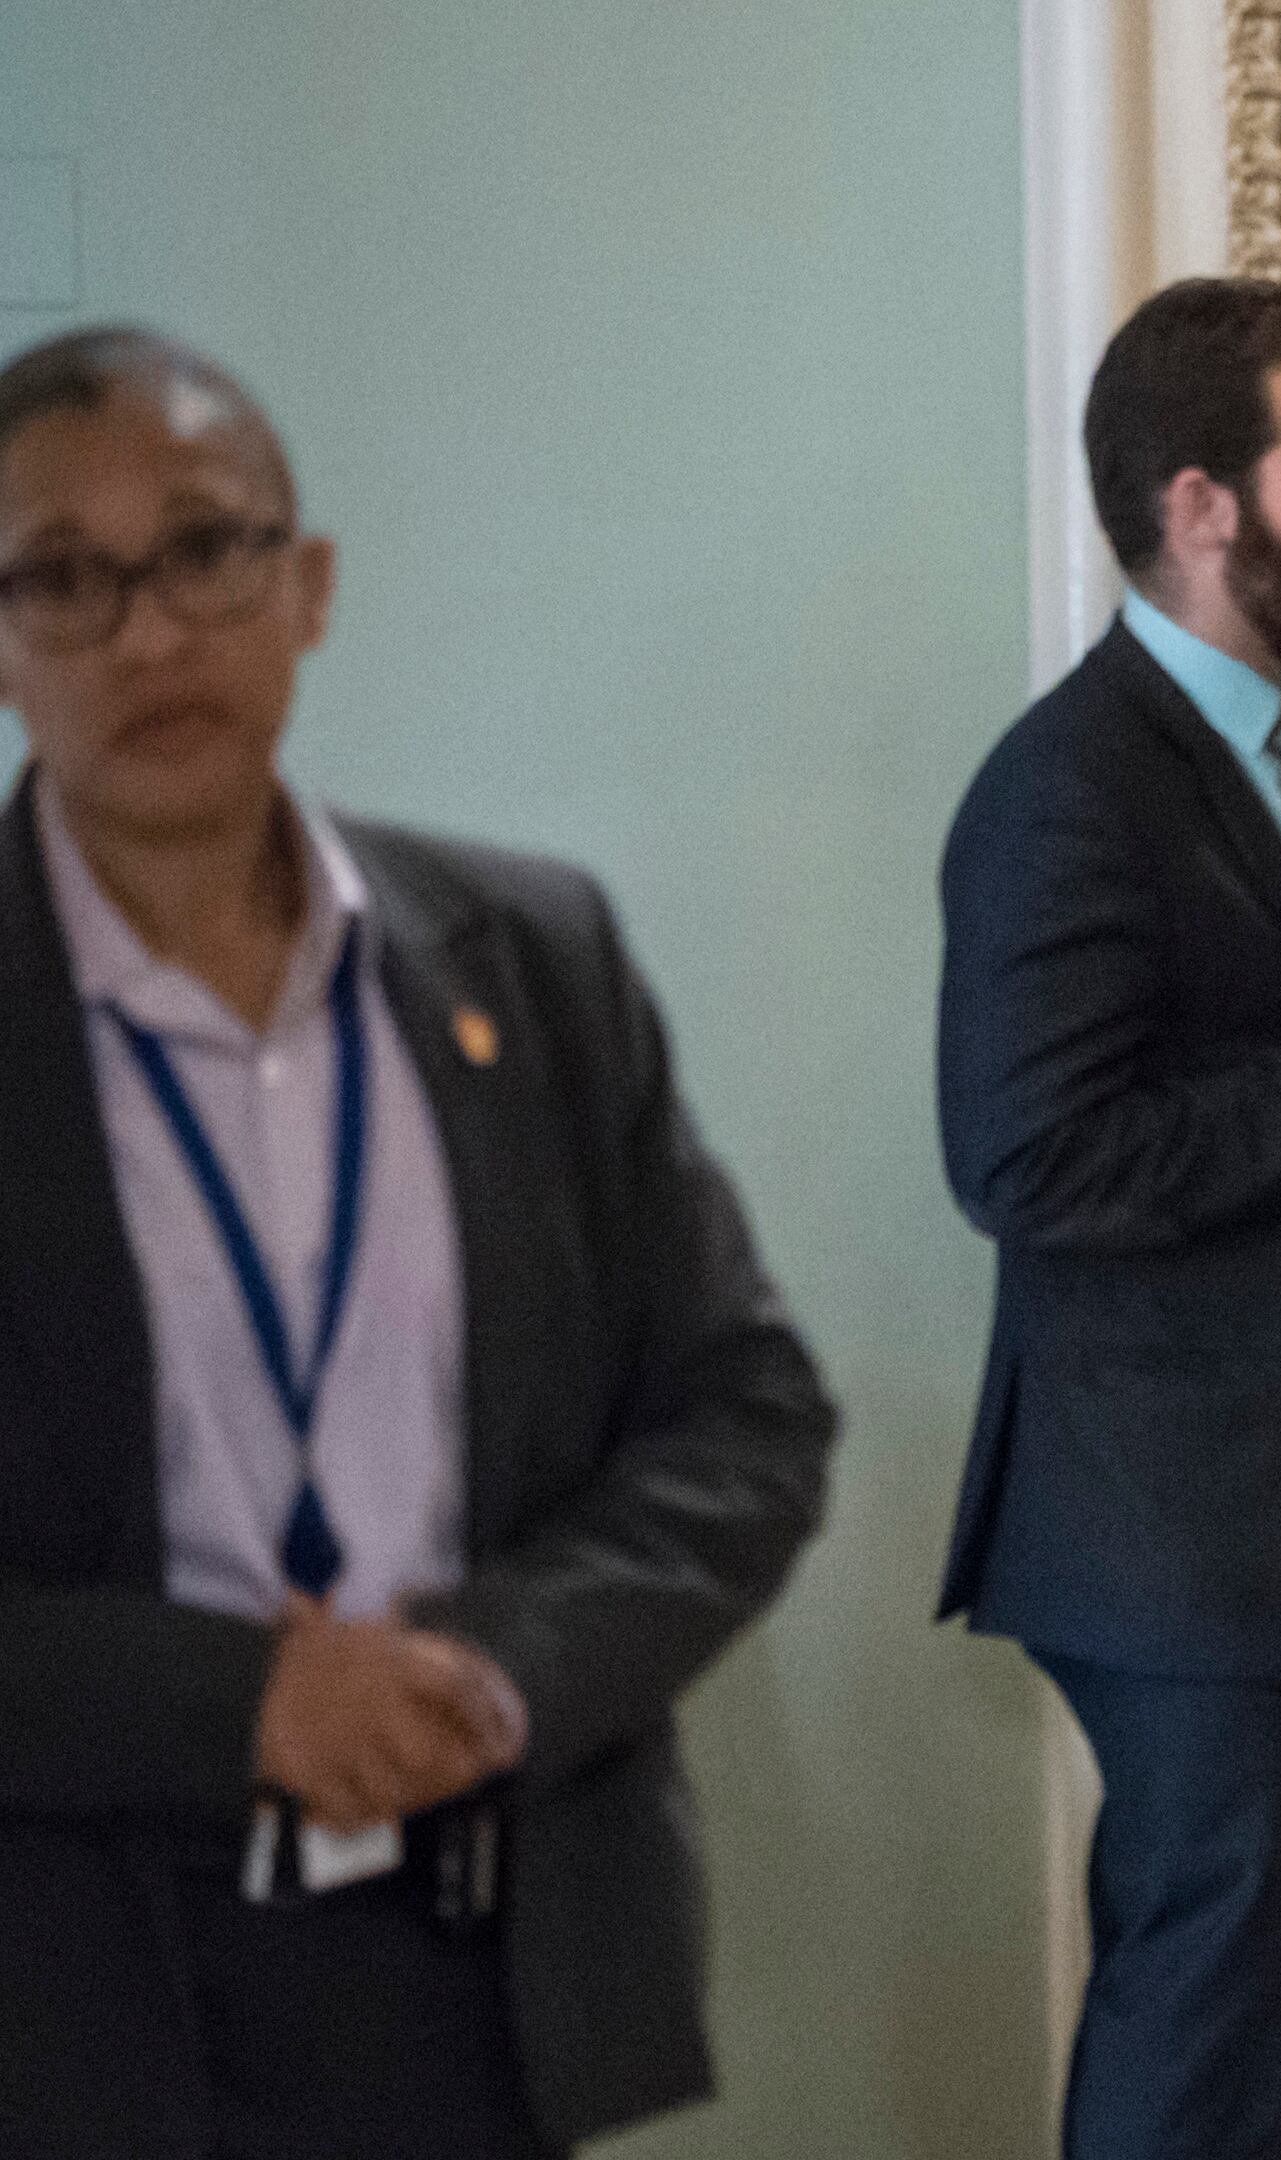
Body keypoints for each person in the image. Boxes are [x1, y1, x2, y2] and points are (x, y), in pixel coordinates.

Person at [0, 327, 835, 2157]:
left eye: (206, 548)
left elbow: (750, 1416)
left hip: (492, 1959)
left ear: (308, 588)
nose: (147, 630)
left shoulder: (534, 963)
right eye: (66, 577)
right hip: (77, 1989)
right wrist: (249, 1704)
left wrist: (498, 1657)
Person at [934, 277, 1281, 2159]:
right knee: (1200, 2038)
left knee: (1240, 2039)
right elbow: (1027, 1160)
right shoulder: (1064, 789)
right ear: (1198, 507)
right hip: (1175, 1535)